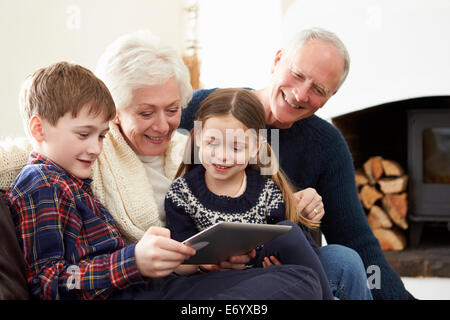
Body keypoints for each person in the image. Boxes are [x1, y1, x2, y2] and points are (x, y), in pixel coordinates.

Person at [0, 30, 369, 299]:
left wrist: (296, 203)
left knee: (338, 259)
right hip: (151, 285)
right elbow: (50, 281)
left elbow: (251, 180)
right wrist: (134, 261)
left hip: (182, 276)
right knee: (300, 283)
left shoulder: (190, 145)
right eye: (146, 112)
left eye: (173, 110)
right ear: (117, 112)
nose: (162, 125)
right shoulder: (68, 167)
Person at [179, 27, 413, 300]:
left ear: (330, 97)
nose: (301, 94)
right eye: (298, 74)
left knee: (346, 259)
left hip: (285, 263)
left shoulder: (326, 144)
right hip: (213, 269)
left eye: (318, 89)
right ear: (277, 60)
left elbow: (357, 239)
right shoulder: (201, 109)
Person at [165, 88, 334, 300]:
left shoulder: (267, 191)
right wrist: (204, 264)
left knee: (290, 231)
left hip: (264, 278)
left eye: (236, 148)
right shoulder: (182, 193)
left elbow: (303, 247)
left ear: (255, 147)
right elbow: (179, 263)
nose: (222, 157)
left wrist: (285, 268)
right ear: (199, 137)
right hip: (212, 283)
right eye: (213, 143)